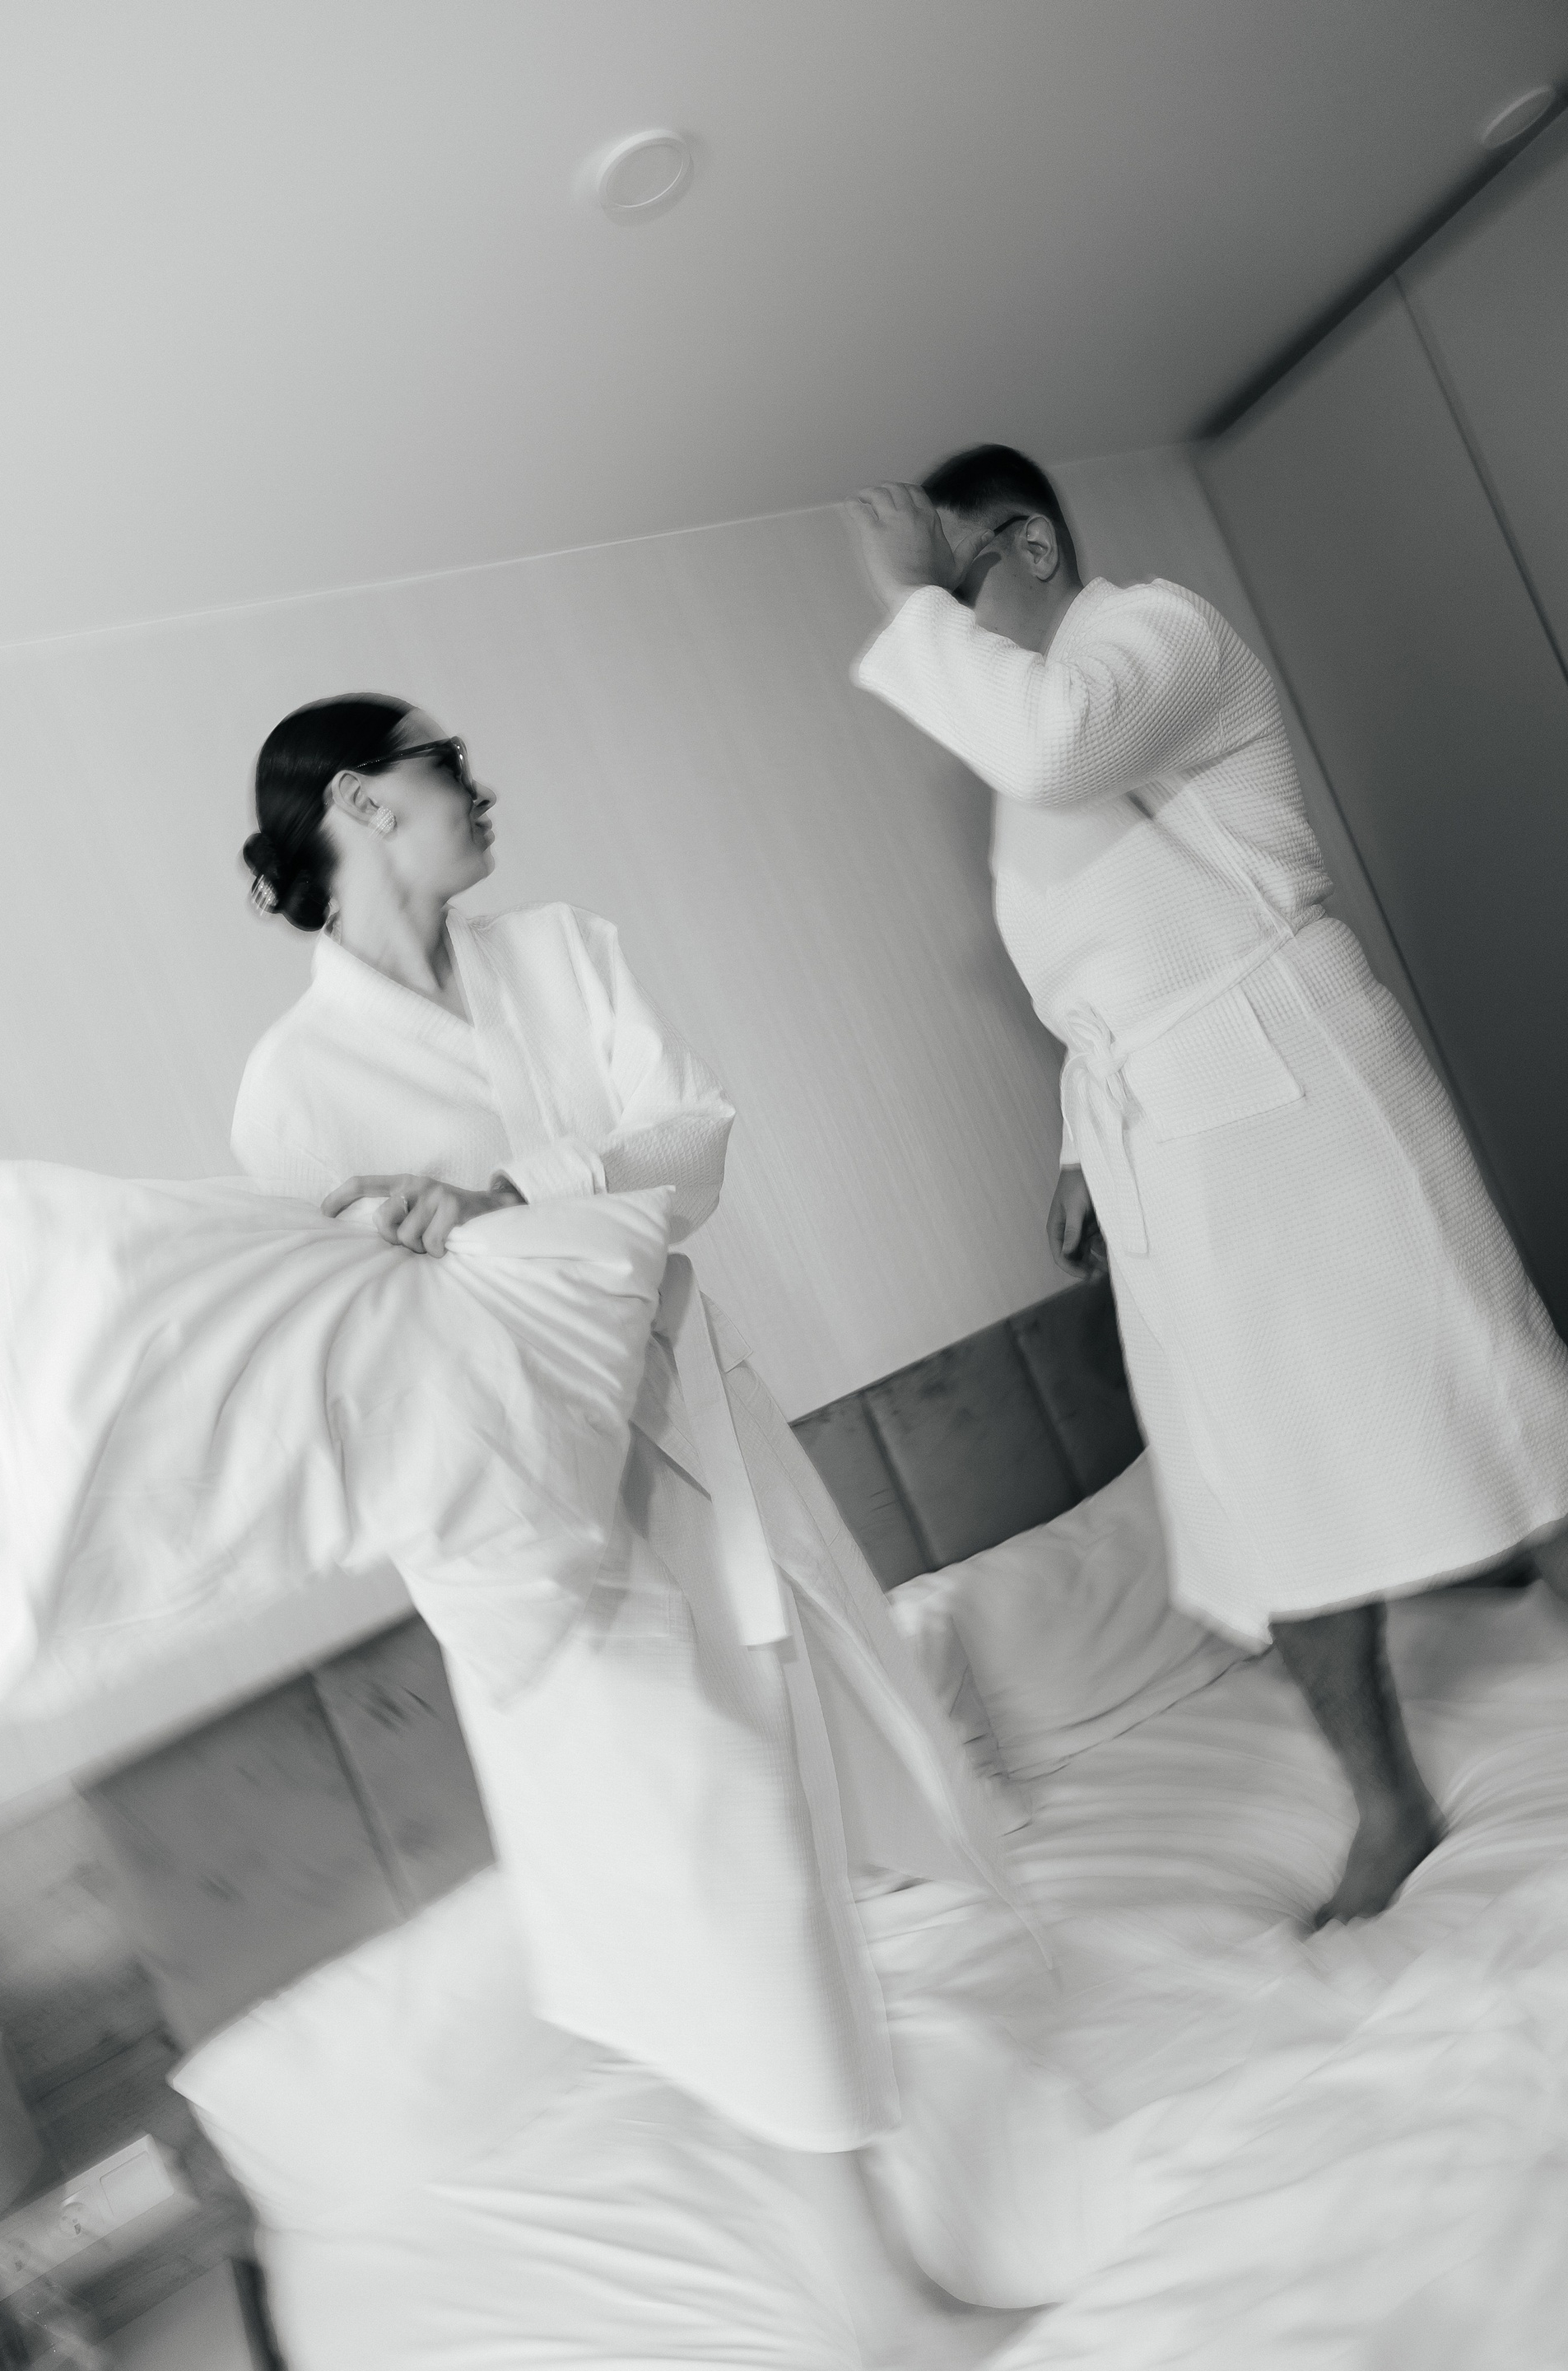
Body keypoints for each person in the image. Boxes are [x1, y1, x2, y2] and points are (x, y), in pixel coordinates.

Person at [229, 692, 1060, 2209]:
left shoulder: (562, 953)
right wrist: (530, 1237)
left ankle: (855, 2194)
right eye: (447, 766)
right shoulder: (294, 1088)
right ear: (360, 801)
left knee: (789, 1782)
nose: (482, 788)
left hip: (701, 1426)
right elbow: (357, 1368)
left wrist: (507, 1199)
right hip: (538, 1521)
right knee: (702, 1847)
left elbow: (697, 1142)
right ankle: (845, 2234)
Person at [848, 446, 1568, 1928]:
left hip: (1299, 1079)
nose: (952, 618)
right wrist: (1079, 1144)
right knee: (1257, 1477)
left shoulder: (1158, 632)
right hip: (1170, 1131)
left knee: (1477, 1382)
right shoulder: (1025, 769)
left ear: (1030, 545)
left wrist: (907, 601)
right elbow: (1099, 980)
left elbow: (1058, 747)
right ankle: (1388, 1800)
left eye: (962, 578)